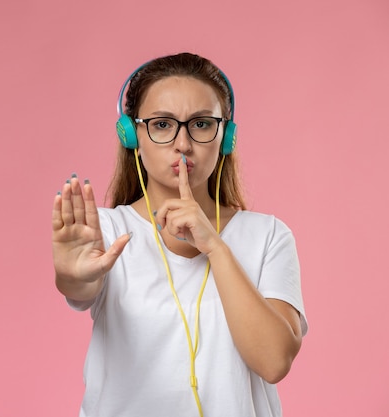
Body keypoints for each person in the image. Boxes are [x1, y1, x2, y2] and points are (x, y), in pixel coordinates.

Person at [51, 52, 307, 417]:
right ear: (132, 136)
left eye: (201, 124)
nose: (183, 143)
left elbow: (273, 361)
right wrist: (72, 276)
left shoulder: (268, 236)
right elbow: (79, 286)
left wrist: (215, 247)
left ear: (226, 137)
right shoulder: (106, 230)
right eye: (162, 124)